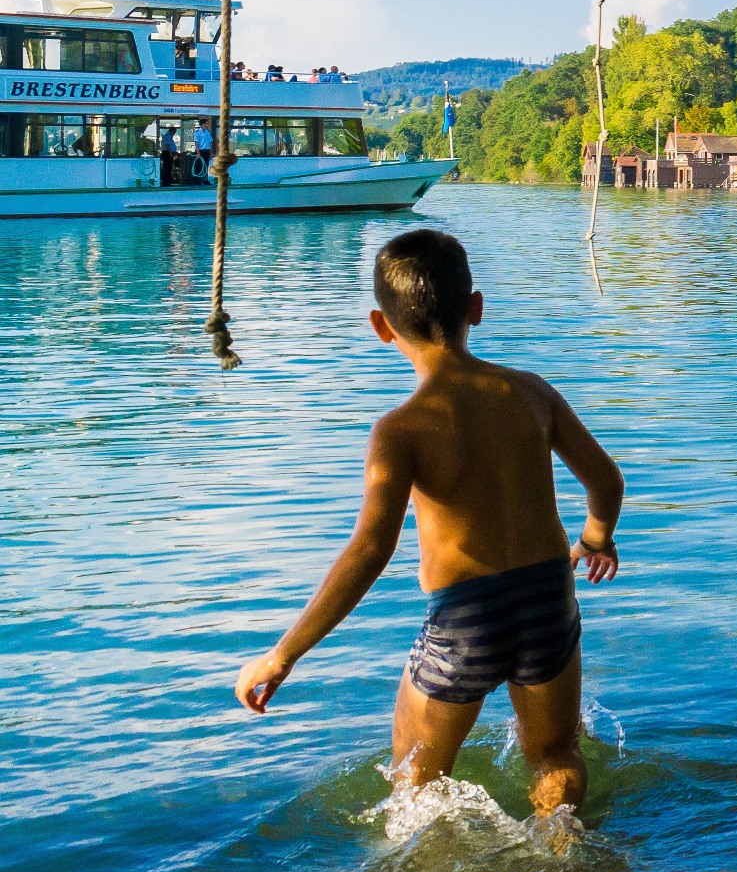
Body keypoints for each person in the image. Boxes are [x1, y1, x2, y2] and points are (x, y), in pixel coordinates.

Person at [233, 229, 625, 822]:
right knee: (555, 753)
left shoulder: (401, 429)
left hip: (465, 618)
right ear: (476, 308)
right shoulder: (531, 393)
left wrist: (285, 653)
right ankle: (565, 847)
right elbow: (606, 481)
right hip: (548, 600)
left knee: (415, 778)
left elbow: (369, 550)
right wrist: (595, 537)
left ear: (380, 326)